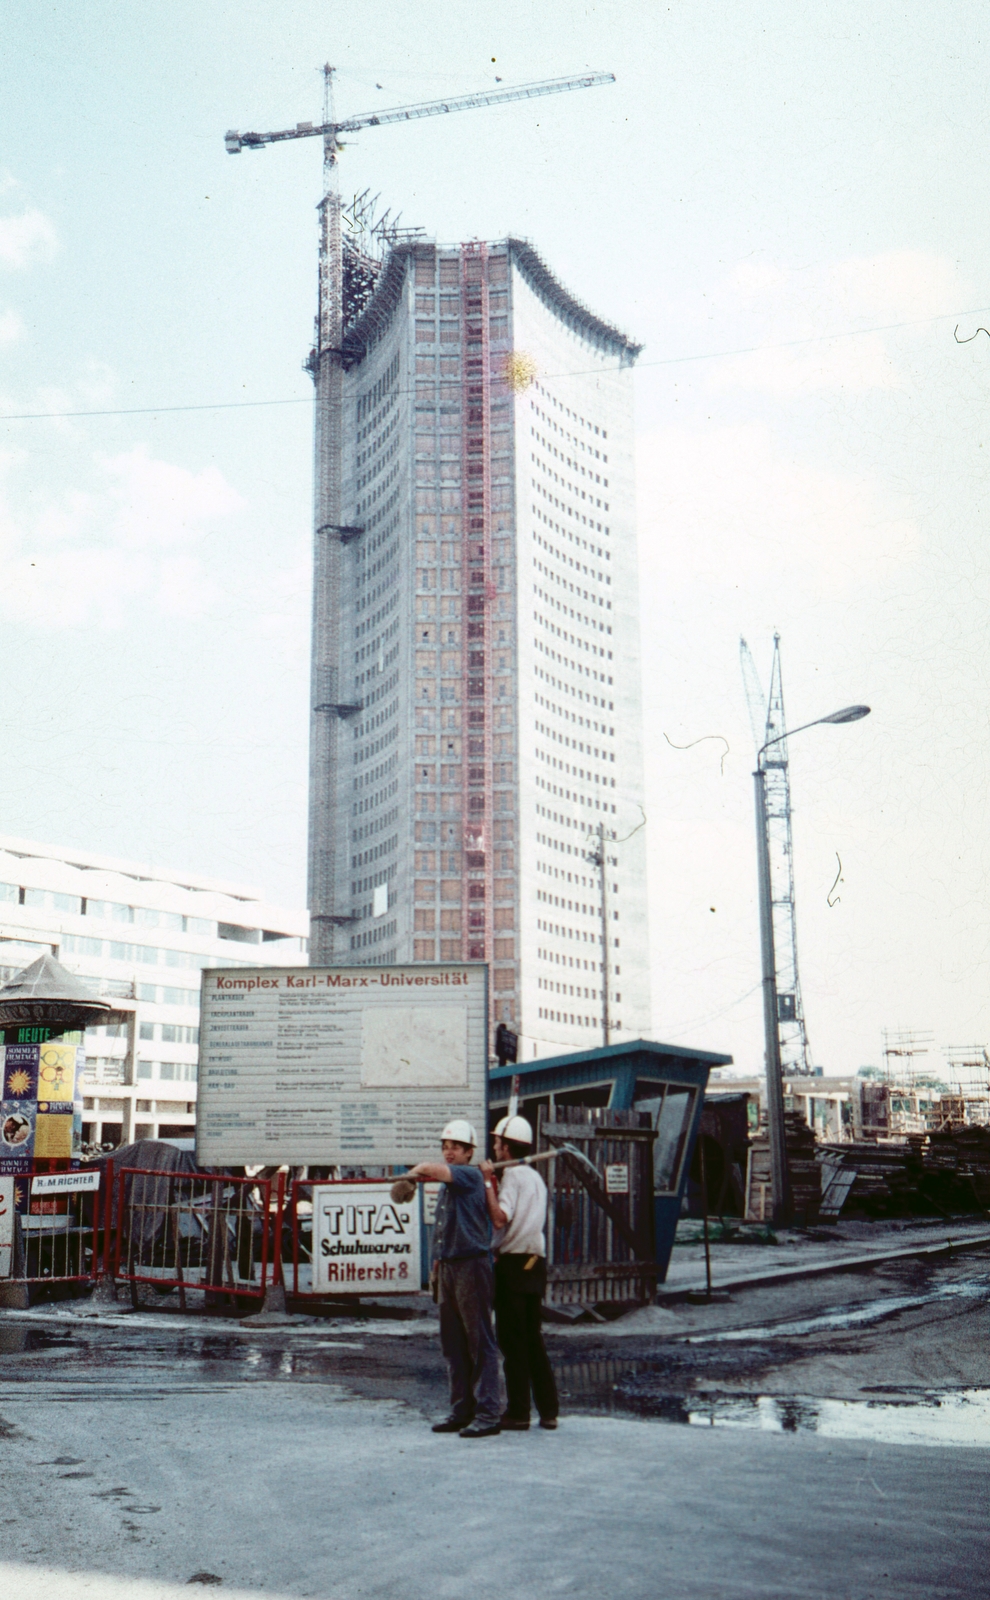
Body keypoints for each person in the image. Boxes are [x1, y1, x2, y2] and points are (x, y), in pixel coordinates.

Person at [404, 1119, 502, 1438]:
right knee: (453, 1344)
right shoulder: (449, 1188)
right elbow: (444, 1229)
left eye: (455, 1148)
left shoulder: (470, 1176)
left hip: (471, 1267)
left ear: (469, 1152)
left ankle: (488, 1414)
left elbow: (437, 1170)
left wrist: (414, 1172)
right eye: (445, 1147)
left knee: (480, 1342)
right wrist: (436, 1265)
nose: (448, 1152)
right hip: (448, 1267)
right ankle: (461, 1410)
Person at [481, 1115, 559, 1432]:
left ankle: (518, 1412)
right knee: (533, 1340)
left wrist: (488, 1181)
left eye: (497, 1143)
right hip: (535, 1264)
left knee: (512, 1343)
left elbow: (500, 1219)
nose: (495, 1148)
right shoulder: (536, 1178)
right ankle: (549, 1411)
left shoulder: (512, 1177)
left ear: (506, 1146)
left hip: (514, 1265)